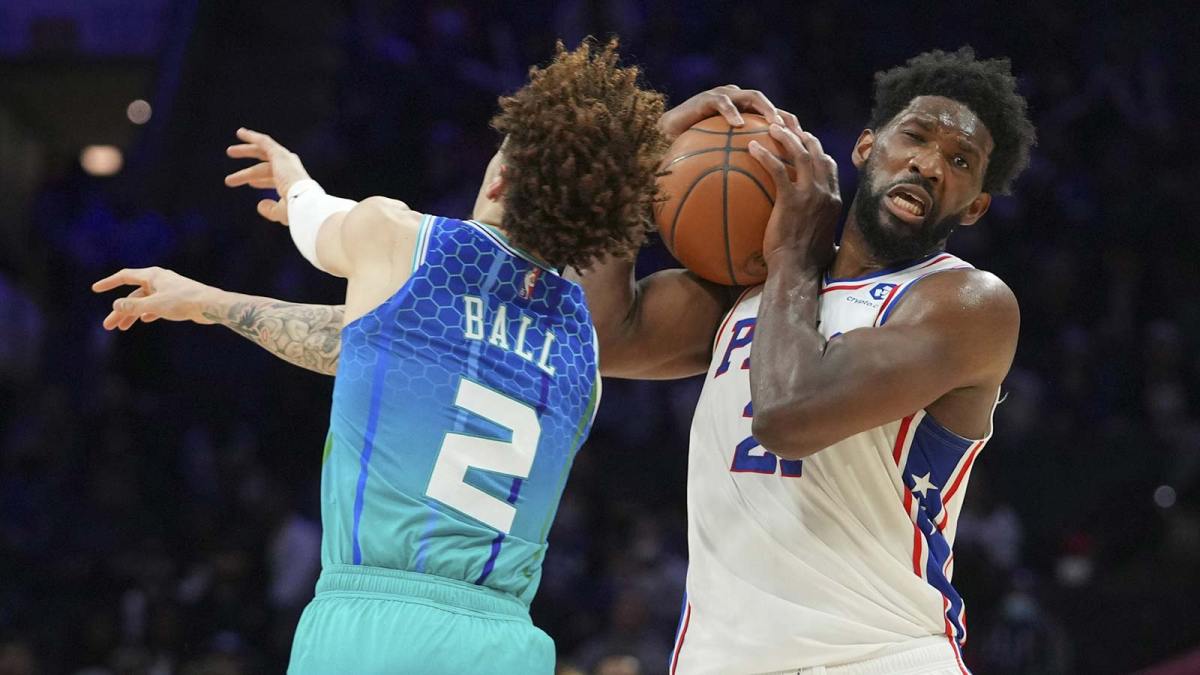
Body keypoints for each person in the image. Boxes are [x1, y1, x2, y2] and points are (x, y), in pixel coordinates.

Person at [95, 39, 671, 674]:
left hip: (373, 627)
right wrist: (212, 300)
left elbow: (321, 234)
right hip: (506, 644)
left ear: (501, 176)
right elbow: (379, 349)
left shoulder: (401, 239)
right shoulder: (583, 349)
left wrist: (296, 186)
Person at [582, 47, 1035, 674]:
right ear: (866, 147)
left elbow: (788, 418)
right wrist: (640, 159)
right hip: (718, 659)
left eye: (961, 162)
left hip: (875, 654)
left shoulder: (964, 304)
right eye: (916, 137)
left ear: (976, 206)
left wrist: (792, 252)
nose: (930, 165)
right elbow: (600, 332)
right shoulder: (755, 288)